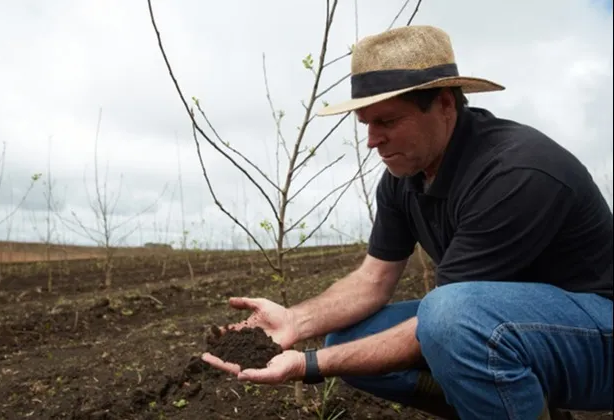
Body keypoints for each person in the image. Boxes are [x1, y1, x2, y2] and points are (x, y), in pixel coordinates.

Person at [202, 25, 613, 419]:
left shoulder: (516, 172)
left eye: (387, 121)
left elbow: (447, 319)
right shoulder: (403, 177)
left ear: (445, 104)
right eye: (366, 124)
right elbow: (372, 281)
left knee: (450, 318)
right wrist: (295, 321)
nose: (372, 140)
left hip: (599, 334)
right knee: (350, 339)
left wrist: (310, 364)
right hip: (520, 326)